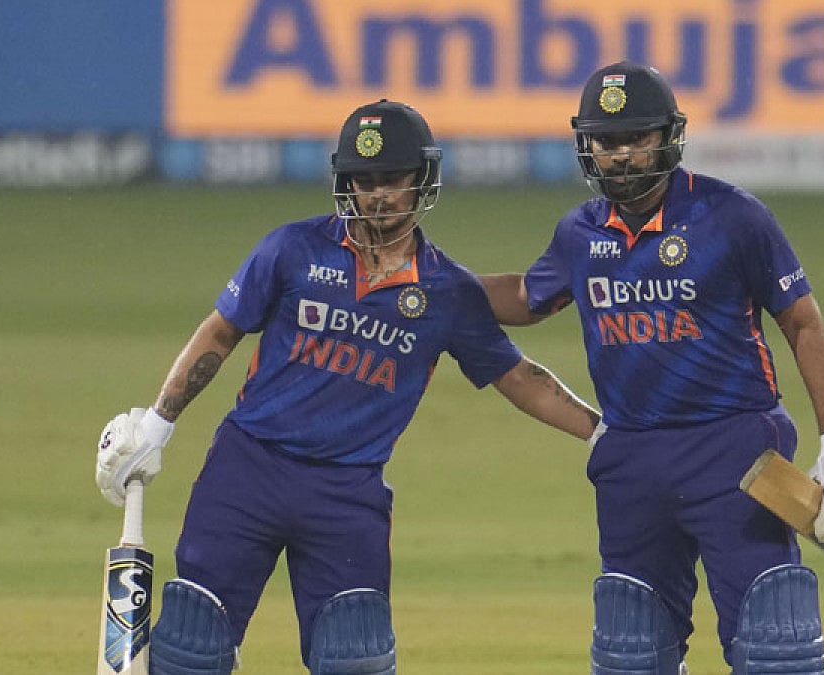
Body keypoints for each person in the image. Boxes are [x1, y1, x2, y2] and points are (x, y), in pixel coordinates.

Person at [94, 99, 601, 675]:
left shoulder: (447, 293)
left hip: (346, 494)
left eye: (392, 179)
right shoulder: (292, 249)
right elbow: (222, 331)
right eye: (364, 180)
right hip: (245, 471)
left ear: (422, 181)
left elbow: (519, 377)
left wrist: (600, 432)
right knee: (192, 649)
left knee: (353, 659)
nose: (377, 194)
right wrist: (158, 425)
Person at [478, 61, 824, 674]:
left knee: (776, 650)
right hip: (632, 459)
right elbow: (525, 300)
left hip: (737, 454)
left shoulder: (732, 216)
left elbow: (803, 322)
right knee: (632, 655)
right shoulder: (580, 234)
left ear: (667, 136)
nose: (621, 156)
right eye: (606, 142)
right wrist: (434, 286)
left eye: (635, 138)